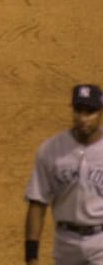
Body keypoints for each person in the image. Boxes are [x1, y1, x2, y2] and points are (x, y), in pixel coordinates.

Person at [24, 83, 103, 265]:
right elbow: (37, 202)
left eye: (89, 112)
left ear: (100, 113)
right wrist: (31, 256)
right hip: (66, 244)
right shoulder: (51, 150)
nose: (83, 118)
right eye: (78, 111)